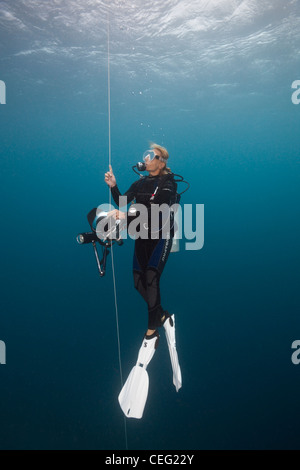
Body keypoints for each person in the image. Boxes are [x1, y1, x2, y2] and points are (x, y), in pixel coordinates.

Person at [105, 143, 182, 419]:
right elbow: (123, 203)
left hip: (161, 237)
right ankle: (162, 317)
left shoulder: (169, 184)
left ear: (161, 162)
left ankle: (151, 335)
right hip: (142, 238)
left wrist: (128, 215)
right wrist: (115, 187)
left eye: (151, 156)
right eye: (145, 155)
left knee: (151, 277)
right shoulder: (141, 183)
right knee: (138, 282)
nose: (146, 159)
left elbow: (161, 210)